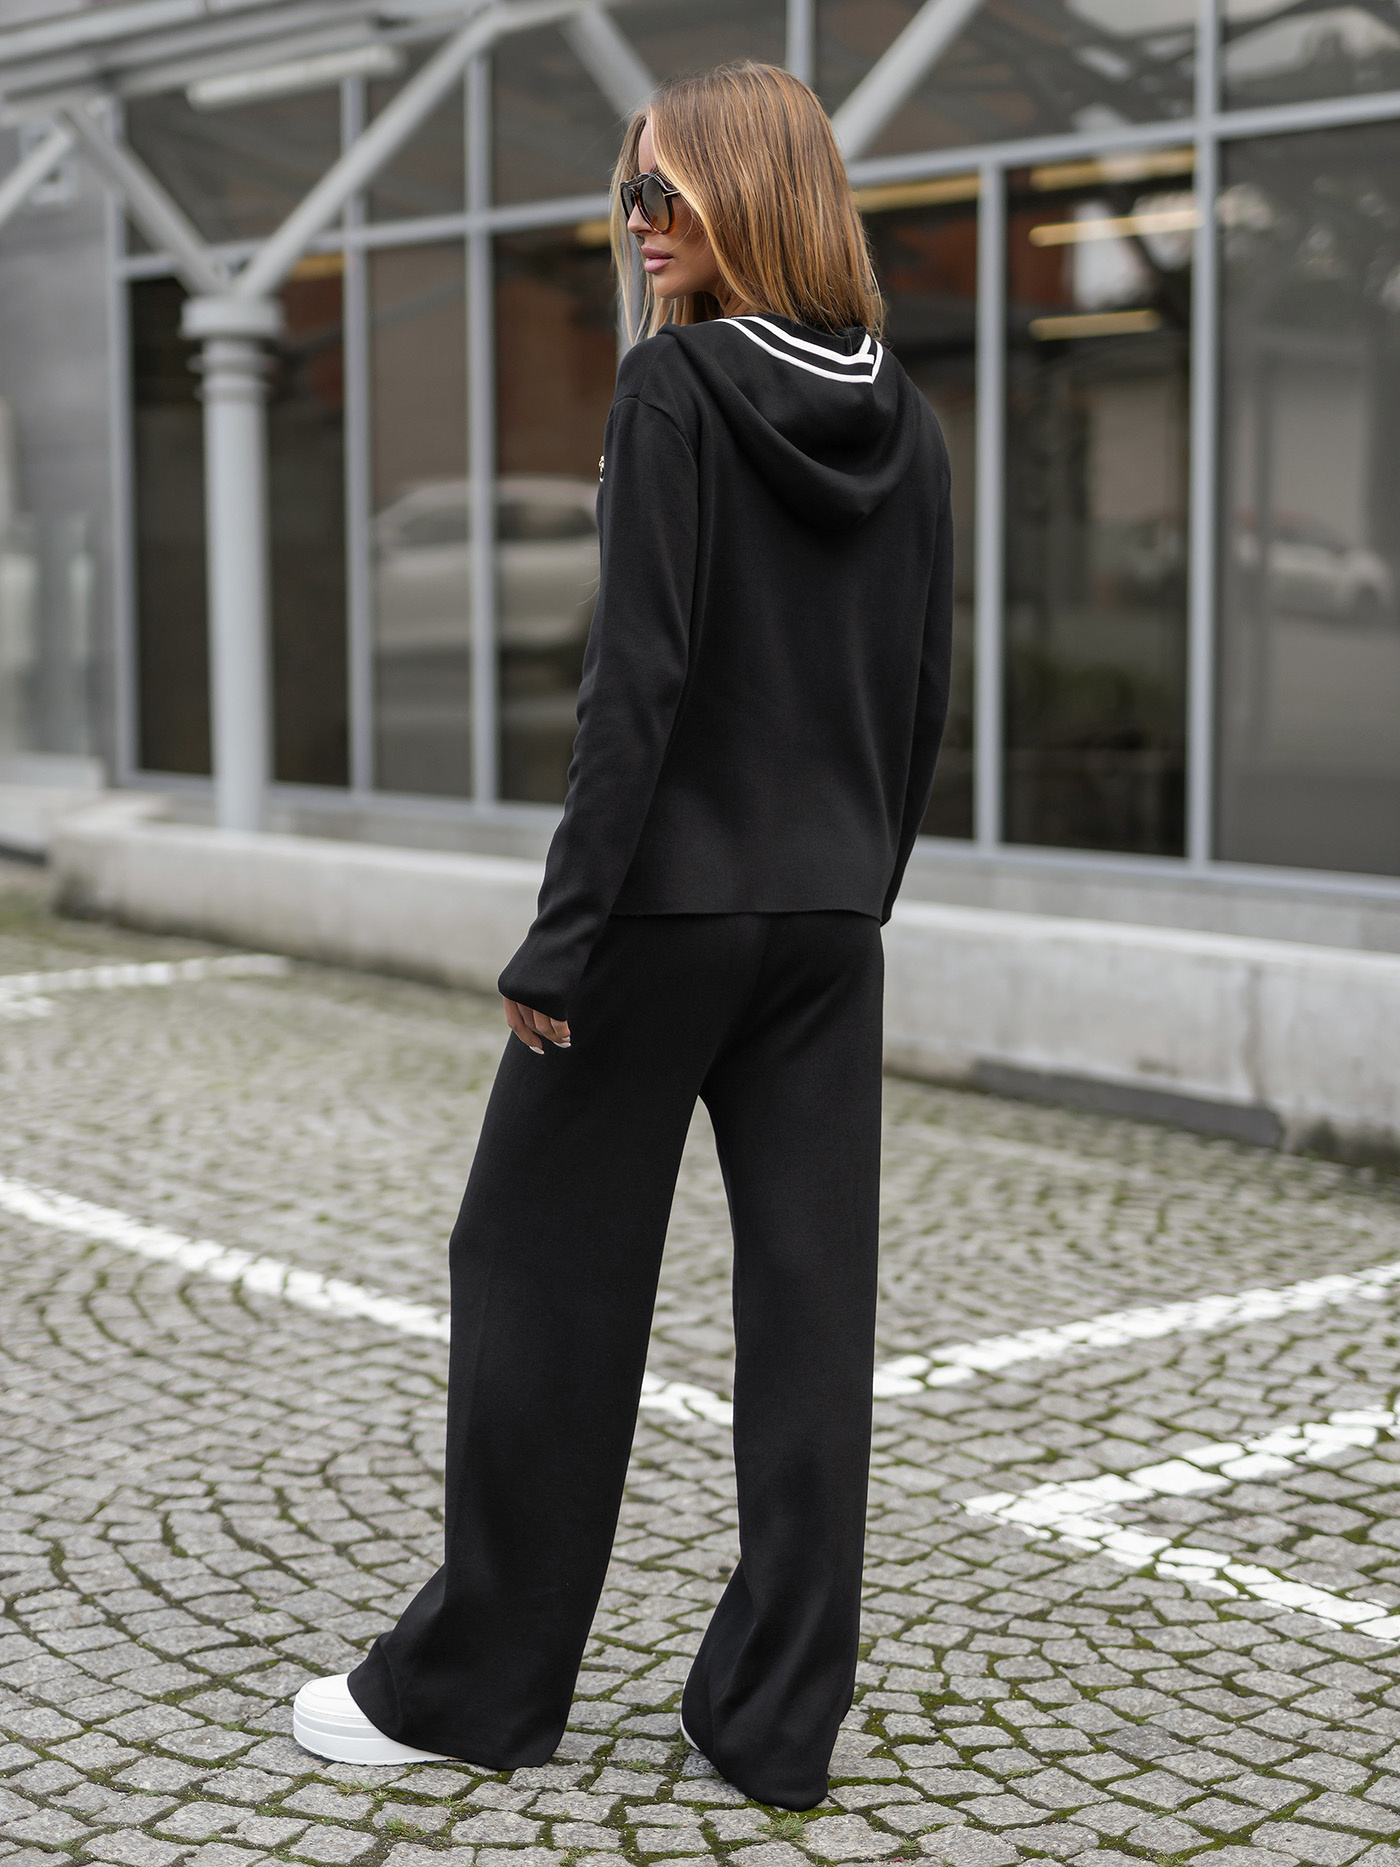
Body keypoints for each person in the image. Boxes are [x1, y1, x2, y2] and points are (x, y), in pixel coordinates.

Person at [292, 59, 953, 1813]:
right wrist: (856, 888)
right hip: (825, 925)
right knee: (810, 1317)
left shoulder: (675, 389)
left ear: (756, 193)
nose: (643, 225)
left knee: (528, 1268)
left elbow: (634, 687)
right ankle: (775, 1722)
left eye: (672, 193)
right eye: (633, 193)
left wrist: (560, 938)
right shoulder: (906, 412)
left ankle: (471, 1688)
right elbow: (923, 692)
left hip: (663, 916)